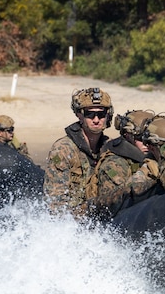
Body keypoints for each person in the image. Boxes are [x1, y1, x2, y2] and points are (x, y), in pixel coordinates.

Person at [87, 110, 165, 218]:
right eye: (140, 138)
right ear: (127, 135)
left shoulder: (152, 156)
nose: (146, 143)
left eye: (148, 138)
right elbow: (112, 205)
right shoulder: (115, 164)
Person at [44, 87, 113, 216]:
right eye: (90, 114)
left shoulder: (110, 148)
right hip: (72, 220)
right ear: (79, 115)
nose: (96, 120)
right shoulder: (63, 150)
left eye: (101, 114)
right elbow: (55, 202)